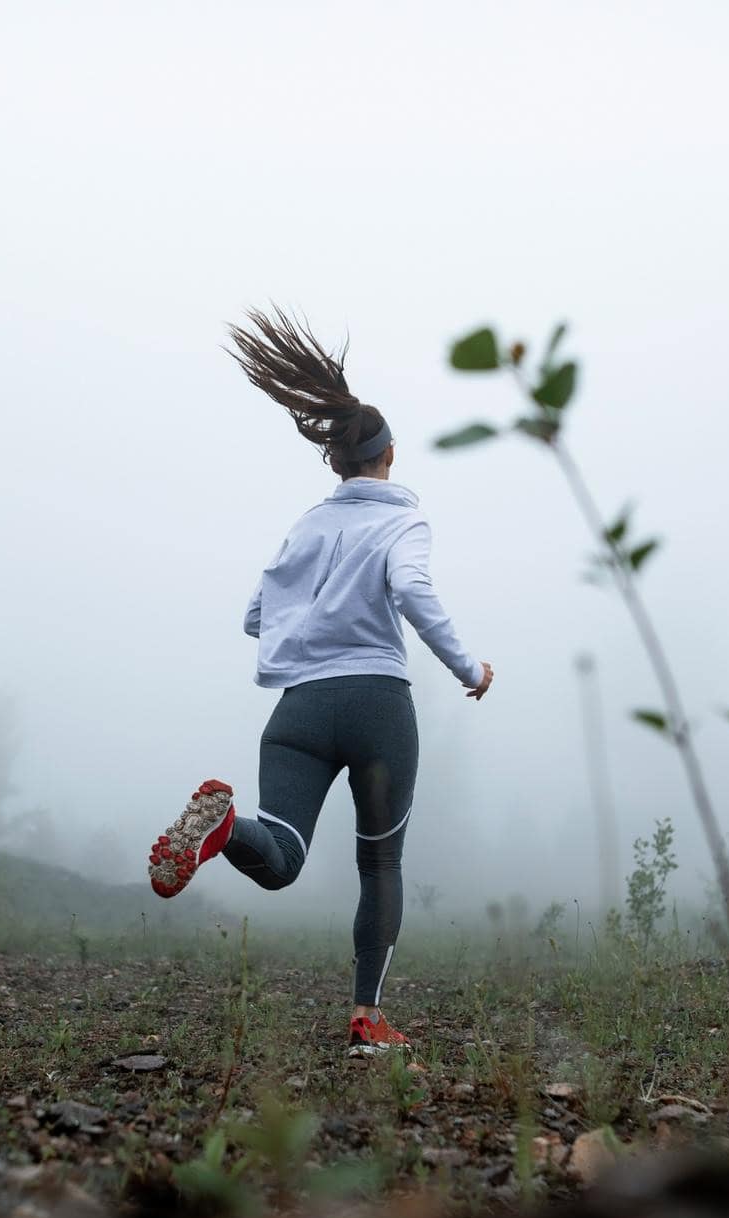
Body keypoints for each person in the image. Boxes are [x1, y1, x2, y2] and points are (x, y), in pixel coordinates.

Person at [147, 308, 493, 1058]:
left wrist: (311, 627)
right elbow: (412, 592)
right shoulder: (404, 521)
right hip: (376, 707)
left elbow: (254, 615)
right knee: (380, 862)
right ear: (390, 455)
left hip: (299, 710)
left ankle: (224, 827)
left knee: (282, 855)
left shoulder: (306, 526)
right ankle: (368, 1017)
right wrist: (471, 669)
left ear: (336, 464)